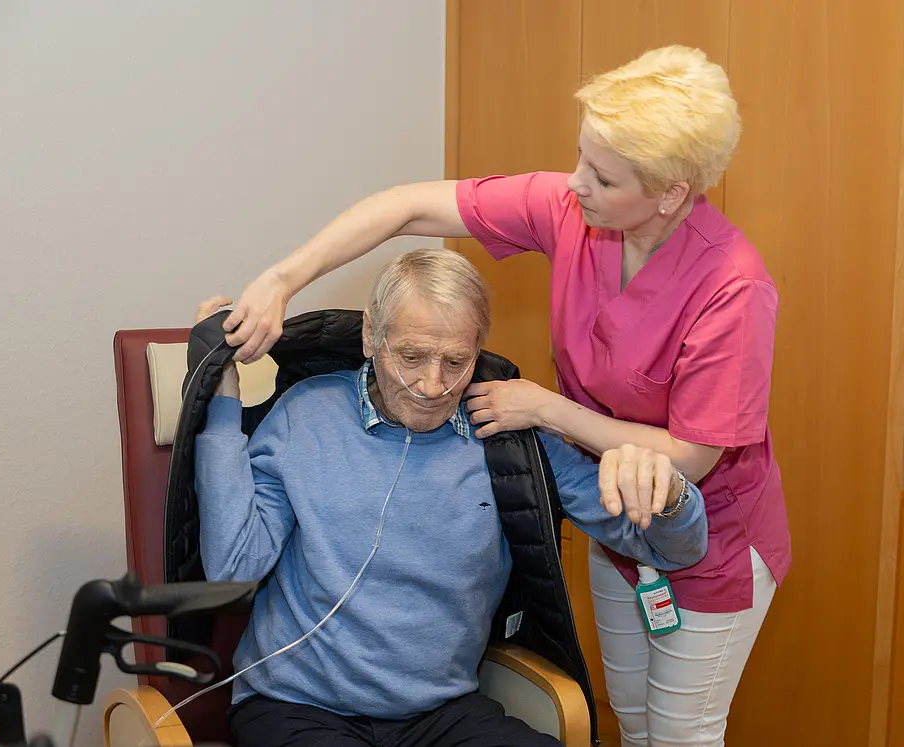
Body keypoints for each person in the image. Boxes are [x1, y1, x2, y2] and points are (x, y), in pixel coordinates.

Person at [219, 44, 789, 746]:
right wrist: (284, 276)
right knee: (633, 722)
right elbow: (406, 207)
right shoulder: (311, 417)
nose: (574, 183)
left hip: (699, 518)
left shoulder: (732, 288)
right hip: (611, 500)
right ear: (372, 337)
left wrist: (545, 409)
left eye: (601, 176)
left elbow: (691, 461)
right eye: (580, 156)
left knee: (679, 733)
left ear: (669, 192)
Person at [194, 248, 709, 747]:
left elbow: (672, 550)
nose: (433, 385)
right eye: (413, 357)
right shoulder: (307, 413)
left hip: (439, 715)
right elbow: (234, 567)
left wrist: (670, 497)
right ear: (372, 336)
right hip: (297, 706)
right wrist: (221, 404)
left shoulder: (507, 437)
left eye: (456, 361)